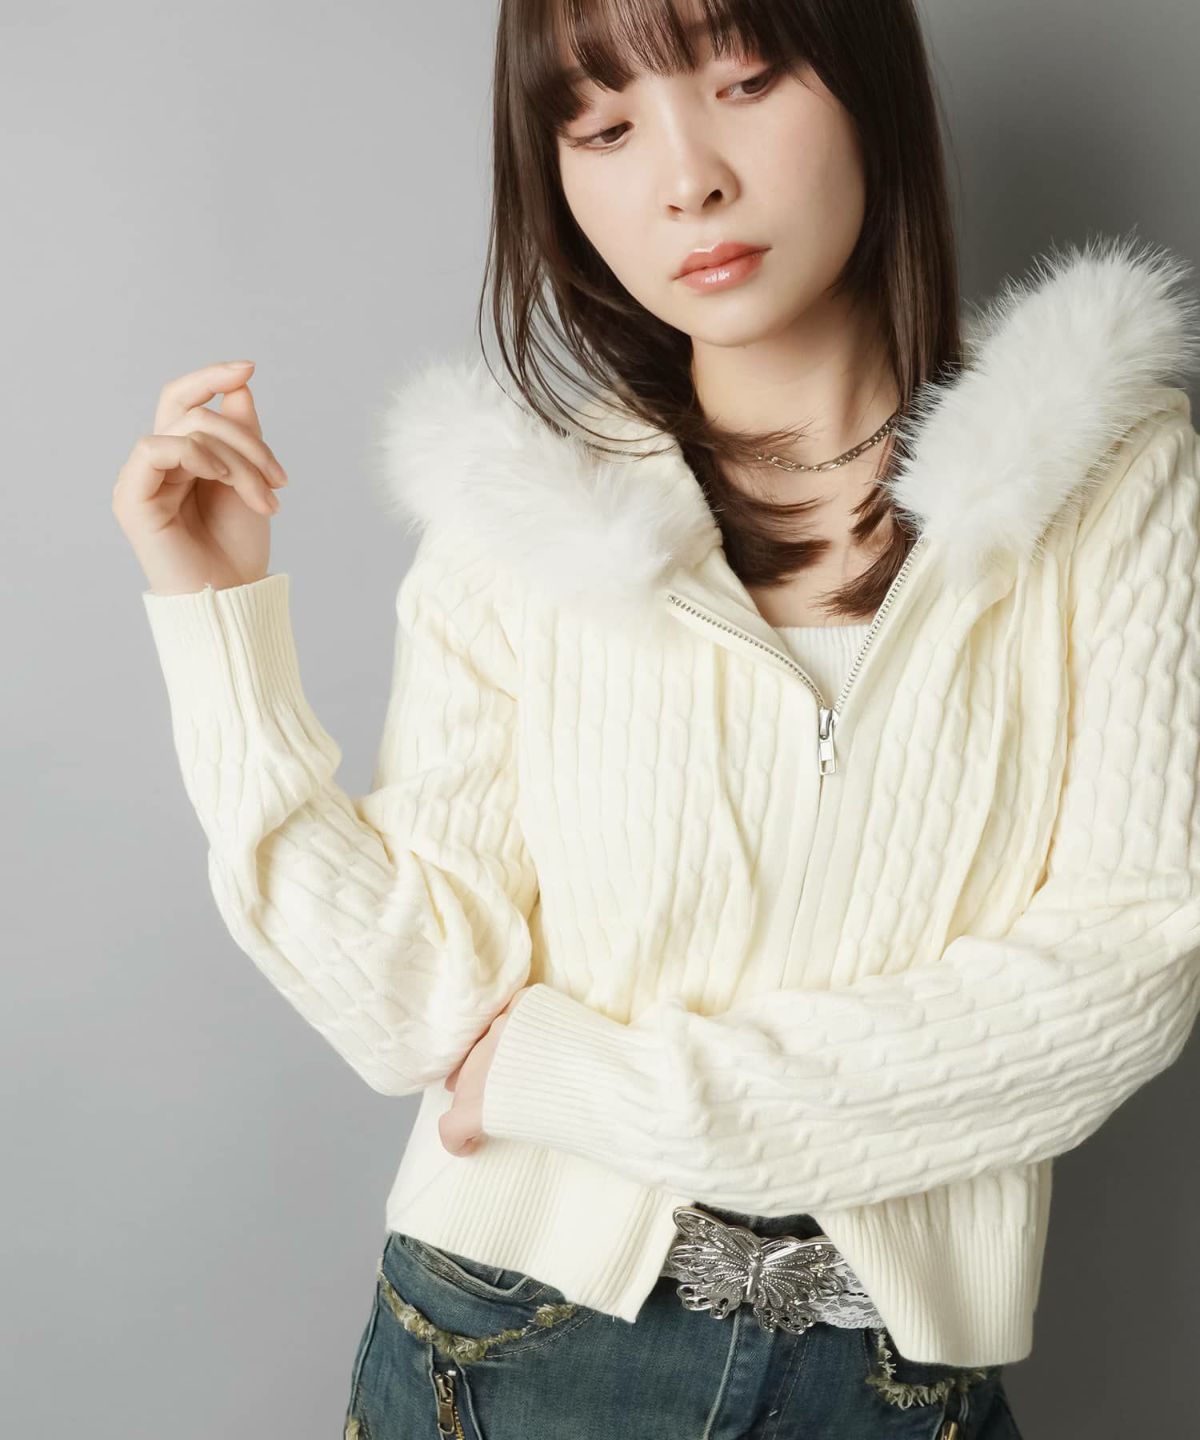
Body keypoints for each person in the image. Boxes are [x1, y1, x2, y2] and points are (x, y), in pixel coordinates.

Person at [112, 1, 1200, 1436]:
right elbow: (416, 1005)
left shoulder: (1109, 478)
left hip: (892, 1384)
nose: (688, 180)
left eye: (743, 83)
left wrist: (609, 1089)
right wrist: (217, 631)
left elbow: (1127, 968)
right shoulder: (521, 519)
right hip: (515, 1348)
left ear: (869, 85)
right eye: (607, 127)